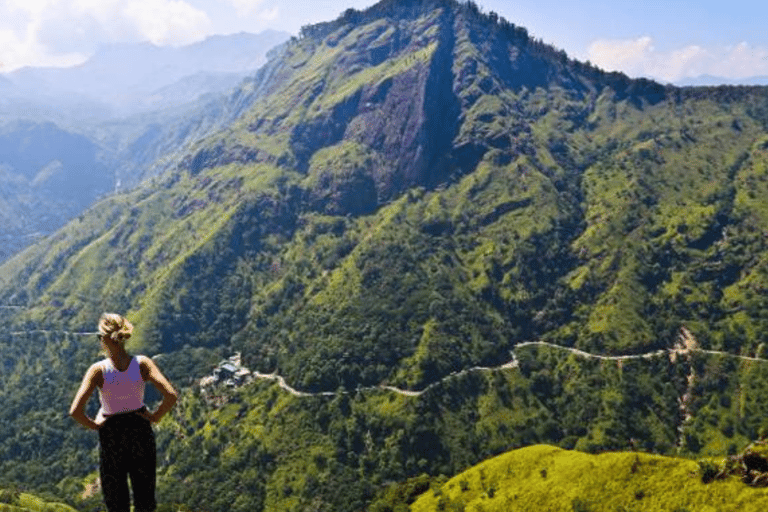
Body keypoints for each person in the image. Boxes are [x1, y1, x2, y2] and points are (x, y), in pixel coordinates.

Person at [70, 313, 178, 512]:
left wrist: (96, 425)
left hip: (112, 433)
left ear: (104, 339)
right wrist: (155, 416)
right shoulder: (142, 363)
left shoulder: (98, 370)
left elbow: (75, 411)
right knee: (144, 497)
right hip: (140, 429)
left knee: (116, 499)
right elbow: (171, 395)